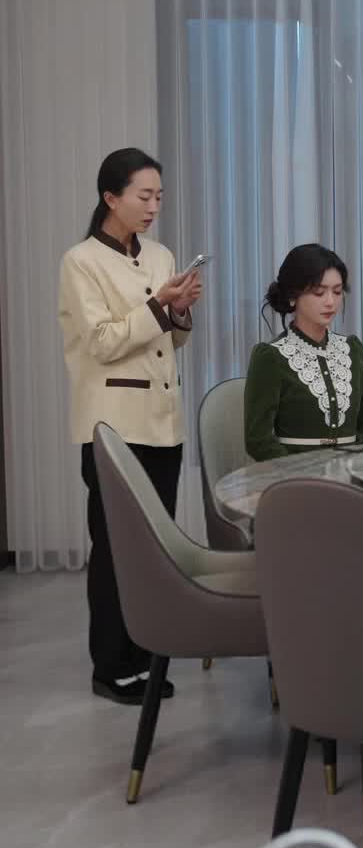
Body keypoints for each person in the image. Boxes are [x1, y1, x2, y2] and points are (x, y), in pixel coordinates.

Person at [58, 148, 203, 704]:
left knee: (153, 548)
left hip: (163, 423)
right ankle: (111, 667)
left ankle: (144, 657)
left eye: (159, 196)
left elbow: (171, 340)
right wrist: (159, 308)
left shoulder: (162, 255)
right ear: (110, 197)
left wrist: (180, 310)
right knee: (115, 546)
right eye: (144, 196)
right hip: (113, 427)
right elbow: (101, 343)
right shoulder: (80, 262)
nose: (153, 206)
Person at [244, 244, 363, 461]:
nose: (330, 302)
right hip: (294, 476)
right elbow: (258, 441)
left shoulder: (353, 350)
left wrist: (355, 462)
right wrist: (302, 472)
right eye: (319, 292)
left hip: (351, 471)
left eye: (337, 291)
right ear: (293, 296)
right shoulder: (271, 357)